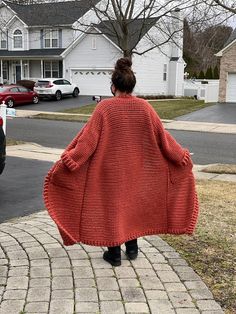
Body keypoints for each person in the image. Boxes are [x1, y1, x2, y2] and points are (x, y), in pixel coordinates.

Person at [44, 58, 199, 267]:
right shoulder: (145, 107)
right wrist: (181, 157)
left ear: (113, 86)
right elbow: (164, 138)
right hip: (136, 171)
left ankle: (114, 254)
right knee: (131, 206)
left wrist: (70, 161)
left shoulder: (104, 108)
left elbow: (87, 142)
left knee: (113, 208)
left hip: (109, 173)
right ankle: (132, 249)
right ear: (132, 85)